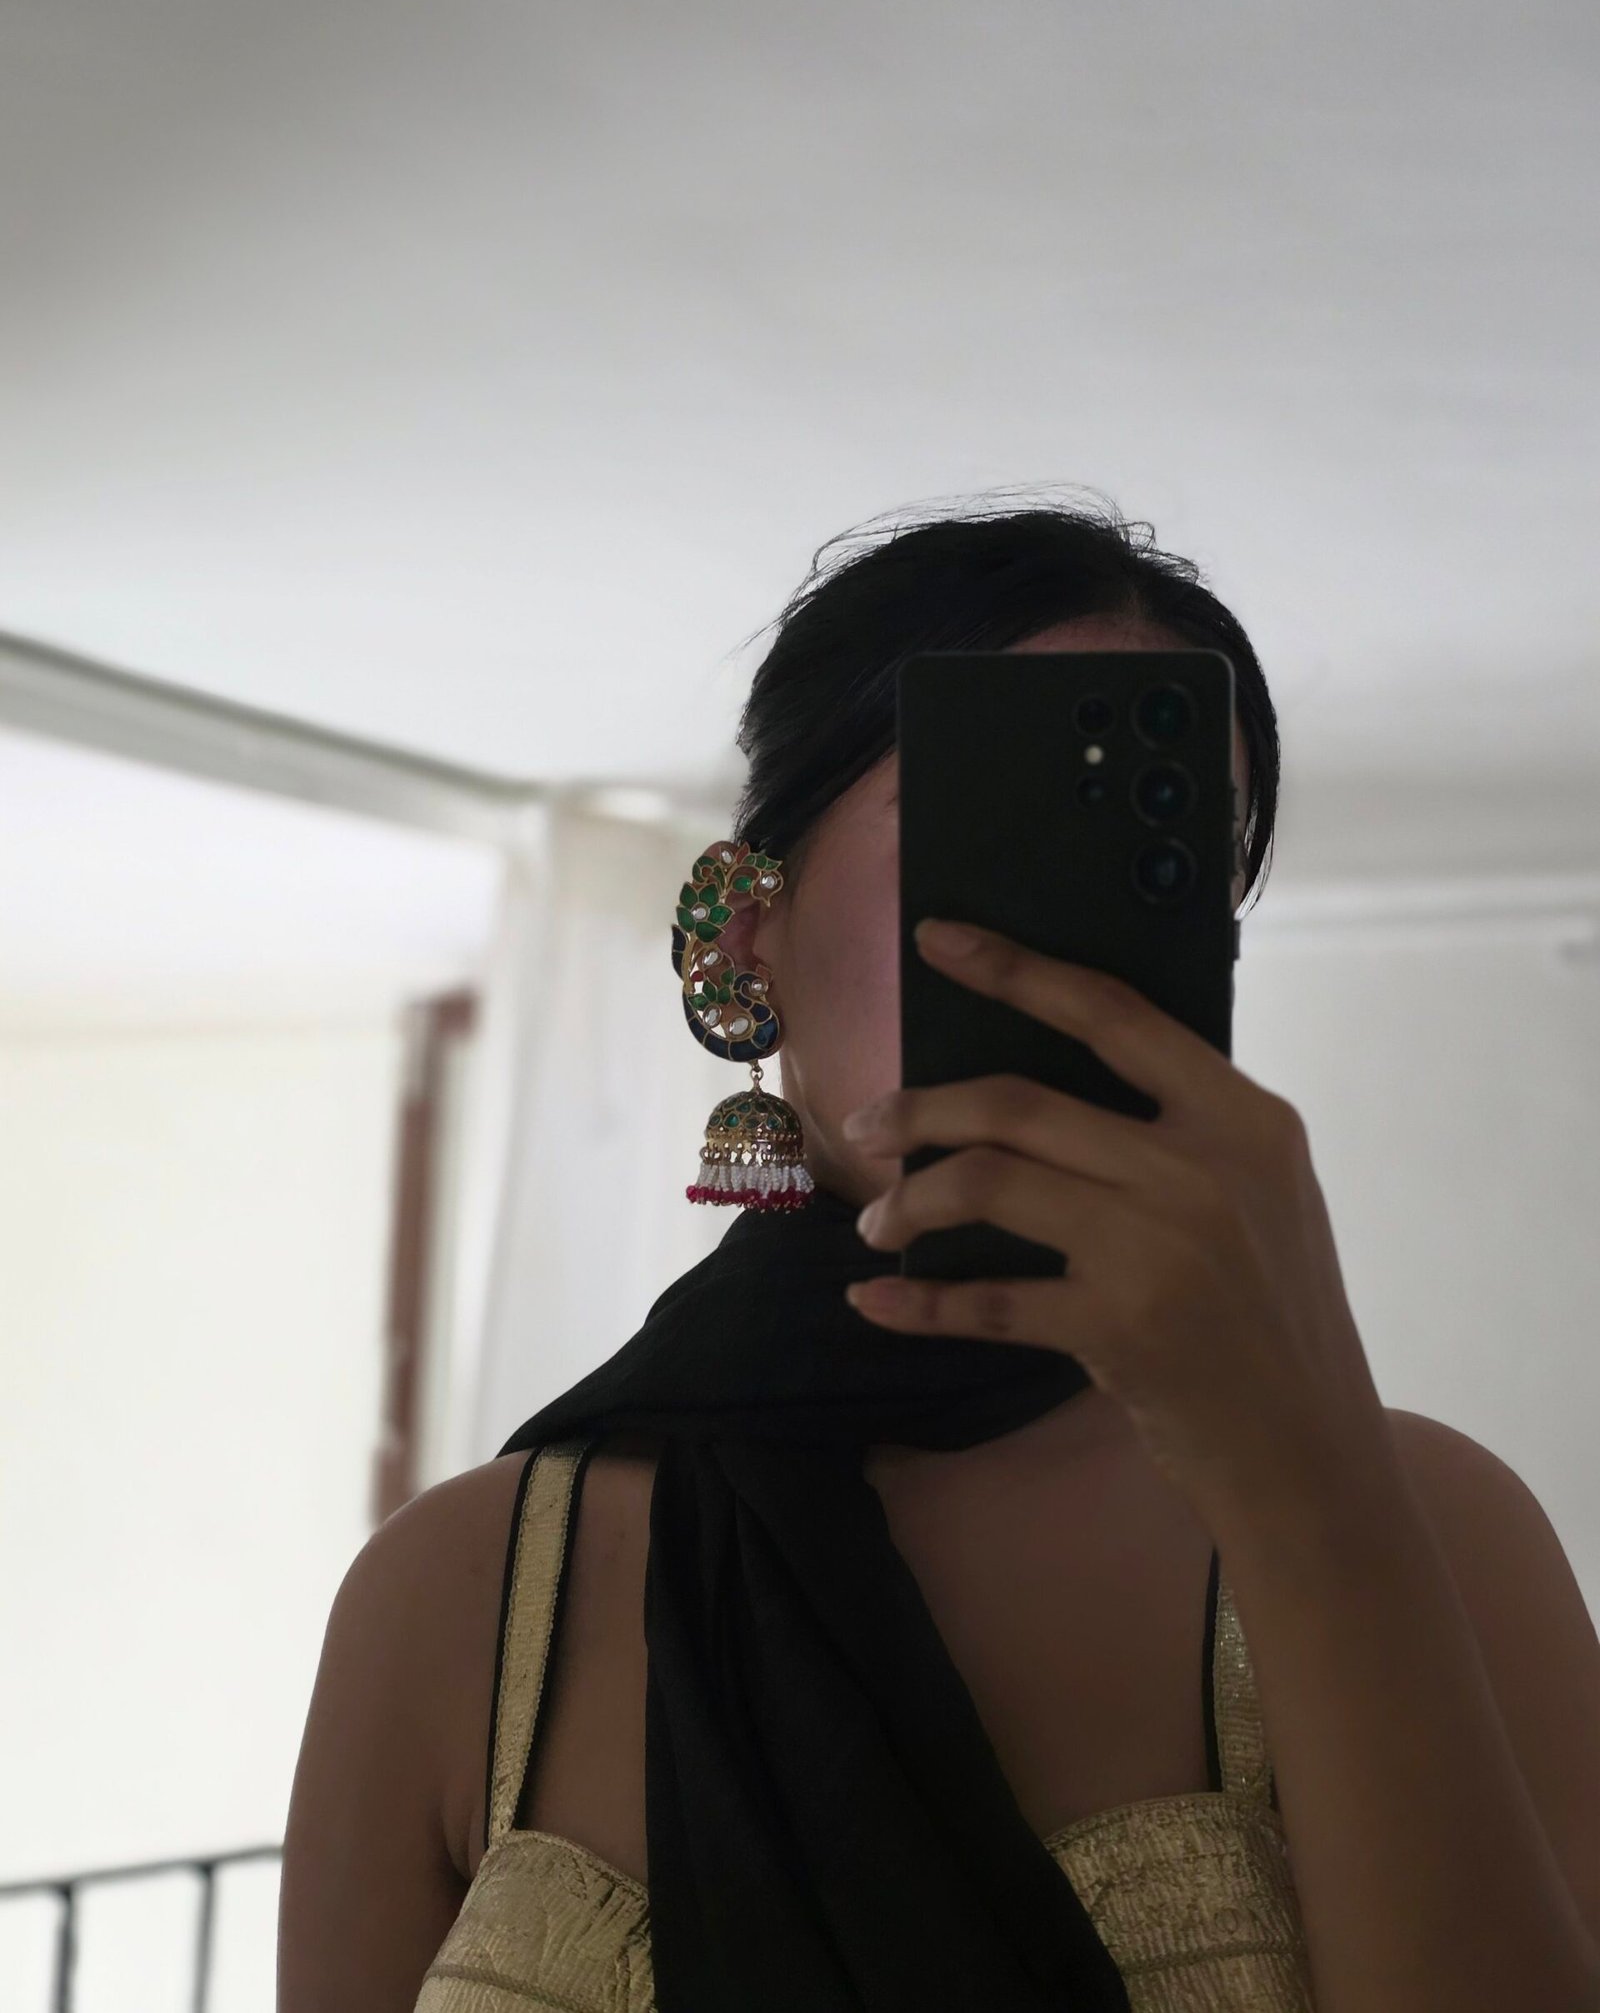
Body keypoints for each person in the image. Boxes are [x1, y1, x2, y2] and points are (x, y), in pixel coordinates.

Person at [277, 498, 1600, 2013]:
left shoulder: (1431, 1528)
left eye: (1156, 858)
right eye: (984, 831)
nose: (1054, 947)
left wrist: (1310, 1486)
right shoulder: (456, 1595)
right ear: (743, 930)